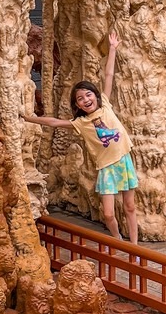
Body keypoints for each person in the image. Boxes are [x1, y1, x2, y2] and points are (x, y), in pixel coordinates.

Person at [20, 31, 138, 245]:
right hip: (106, 168)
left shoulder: (106, 104)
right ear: (77, 105)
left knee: (130, 207)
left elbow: (108, 75)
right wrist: (29, 118)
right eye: (80, 99)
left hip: (123, 160)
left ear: (95, 95)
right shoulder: (80, 123)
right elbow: (54, 122)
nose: (86, 99)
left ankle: (136, 247)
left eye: (88, 94)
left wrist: (112, 49)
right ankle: (119, 239)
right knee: (109, 214)